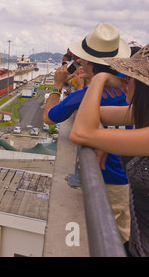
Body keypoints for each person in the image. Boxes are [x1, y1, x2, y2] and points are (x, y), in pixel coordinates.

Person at [43, 23, 132, 243]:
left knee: (106, 240)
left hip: (108, 180)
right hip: (132, 178)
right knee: (130, 234)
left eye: (81, 58)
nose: (78, 62)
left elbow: (49, 117)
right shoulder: (130, 86)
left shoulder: (83, 97)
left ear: (89, 63)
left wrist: (56, 86)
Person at [70, 44, 149, 257]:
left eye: (128, 76)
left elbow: (80, 133)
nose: (124, 81)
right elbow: (96, 115)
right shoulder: (141, 113)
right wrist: (101, 135)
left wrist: (99, 79)